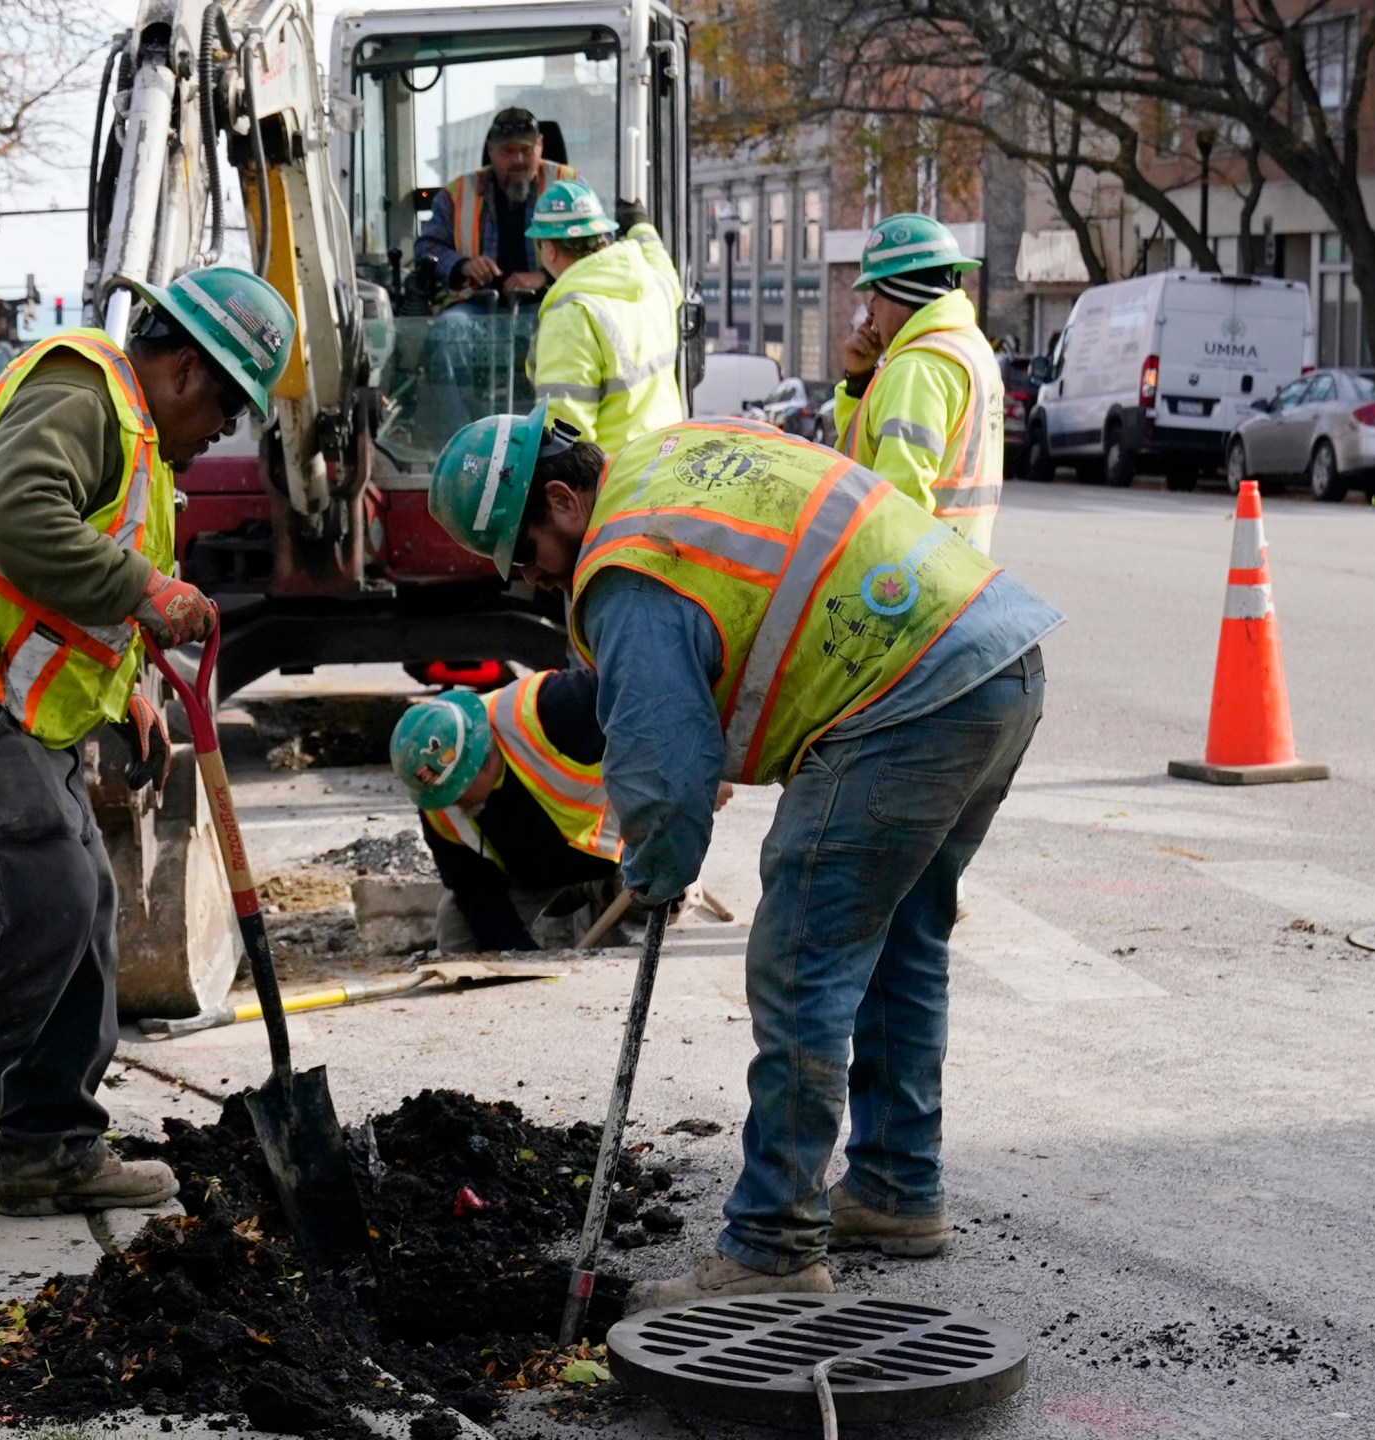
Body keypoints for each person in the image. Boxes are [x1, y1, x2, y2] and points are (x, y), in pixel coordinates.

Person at [426, 406, 1064, 1307]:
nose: (533, 581)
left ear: (563, 502)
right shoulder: (666, 459)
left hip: (905, 699)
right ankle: (894, 1187)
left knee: (801, 960)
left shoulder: (622, 563)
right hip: (995, 657)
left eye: (526, 558)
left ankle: (772, 1249)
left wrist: (655, 865)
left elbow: (658, 764)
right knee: (903, 938)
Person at [0, 266, 296, 1232]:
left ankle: (52, 1147)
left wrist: (132, 690)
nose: (227, 429)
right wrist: (146, 589)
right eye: (228, 403)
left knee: (84, 904)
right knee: (46, 893)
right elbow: (18, 521)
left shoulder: (135, 442)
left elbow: (74, 588)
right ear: (183, 368)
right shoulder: (80, 390)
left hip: (3, 703)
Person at [389, 668, 626, 953]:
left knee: (659, 899)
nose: (449, 804)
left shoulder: (553, 708)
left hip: (620, 851)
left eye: (457, 792)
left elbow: (640, 698)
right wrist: (524, 961)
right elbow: (476, 894)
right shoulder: (436, 801)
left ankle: (603, 889)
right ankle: (579, 892)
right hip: (535, 877)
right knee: (459, 934)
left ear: (484, 761)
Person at [832, 214, 1007, 553]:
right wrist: (858, 381)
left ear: (902, 292)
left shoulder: (916, 369)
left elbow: (899, 498)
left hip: (908, 579)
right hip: (959, 565)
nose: (870, 311)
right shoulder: (970, 351)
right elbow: (863, 449)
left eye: (876, 294)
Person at [526, 179, 686, 455]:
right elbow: (659, 259)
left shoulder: (571, 314)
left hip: (615, 482)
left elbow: (565, 432)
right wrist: (640, 224)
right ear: (602, 237)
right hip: (664, 463)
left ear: (548, 249)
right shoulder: (654, 283)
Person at [414, 107, 572, 302]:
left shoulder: (569, 186)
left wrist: (545, 276)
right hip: (474, 302)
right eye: (508, 151)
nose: (518, 160)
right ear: (491, 150)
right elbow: (427, 247)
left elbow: (597, 246)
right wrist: (462, 265)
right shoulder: (457, 194)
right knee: (452, 325)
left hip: (552, 299)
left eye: (525, 150)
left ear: (540, 145)